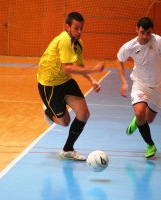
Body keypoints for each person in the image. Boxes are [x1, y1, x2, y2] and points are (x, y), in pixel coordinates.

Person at [37, 12, 105, 161]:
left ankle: (67, 149)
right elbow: (68, 67)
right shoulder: (64, 40)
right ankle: (49, 112)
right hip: (50, 85)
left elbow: (78, 66)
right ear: (67, 27)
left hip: (65, 81)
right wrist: (94, 69)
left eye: (81, 28)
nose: (79, 32)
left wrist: (92, 80)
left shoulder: (78, 44)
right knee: (64, 122)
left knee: (84, 114)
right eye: (76, 28)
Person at [116, 17, 161, 159]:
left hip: (158, 86)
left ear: (152, 32)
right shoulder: (129, 46)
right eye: (142, 32)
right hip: (140, 83)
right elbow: (119, 60)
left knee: (148, 120)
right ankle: (150, 144)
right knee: (140, 113)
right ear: (136, 29)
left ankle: (137, 122)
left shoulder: (158, 41)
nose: (145, 37)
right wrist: (124, 82)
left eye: (148, 33)